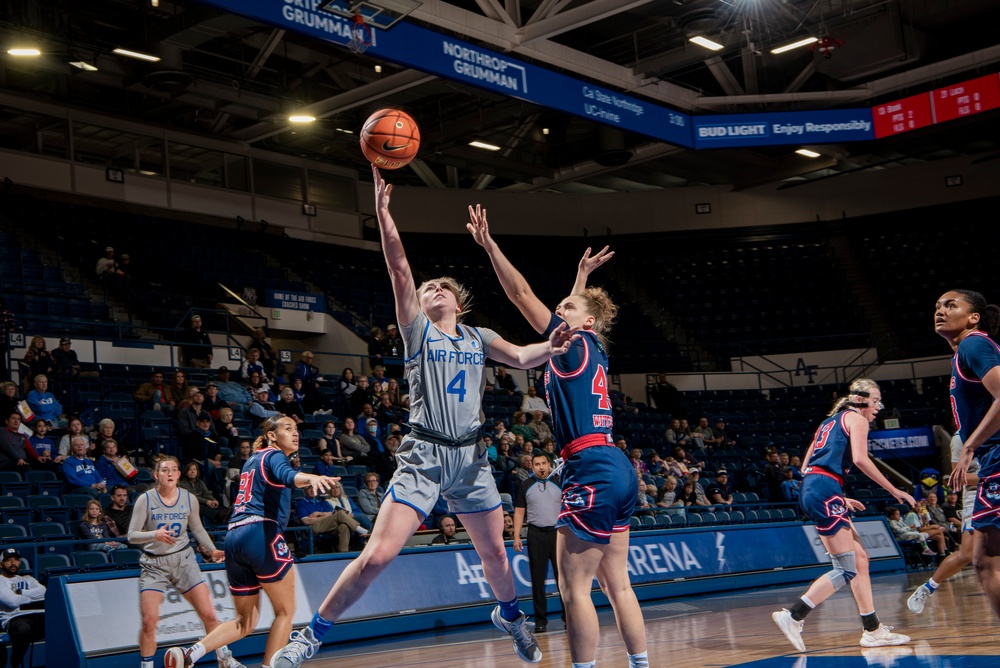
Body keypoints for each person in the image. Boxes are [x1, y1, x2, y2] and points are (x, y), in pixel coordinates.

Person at [268, 168, 580, 668]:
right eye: (429, 285)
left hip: (471, 457)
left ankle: (510, 616)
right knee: (376, 557)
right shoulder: (417, 331)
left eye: (442, 286)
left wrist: (554, 344)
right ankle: (312, 636)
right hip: (424, 454)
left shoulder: (478, 337)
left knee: (496, 556)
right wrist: (384, 214)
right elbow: (398, 269)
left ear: (458, 302)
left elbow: (523, 357)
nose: (433, 288)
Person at [468, 206, 647, 668]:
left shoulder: (569, 342)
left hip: (590, 467)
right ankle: (641, 664)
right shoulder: (592, 347)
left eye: (568, 307)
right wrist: (581, 278)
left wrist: (490, 246)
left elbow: (520, 292)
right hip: (617, 466)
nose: (560, 308)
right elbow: (578, 312)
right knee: (619, 585)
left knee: (574, 591)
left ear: (583, 323)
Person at [163, 417, 336, 668]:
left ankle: (189, 654)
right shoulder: (274, 455)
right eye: (288, 429)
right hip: (261, 532)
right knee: (285, 613)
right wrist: (311, 478)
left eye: (297, 429)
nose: (295, 434)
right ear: (273, 436)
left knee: (245, 622)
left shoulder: (251, 462)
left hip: (235, 536)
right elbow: (288, 476)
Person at [772, 378, 914, 652]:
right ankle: (793, 616)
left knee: (860, 559)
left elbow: (806, 465)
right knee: (846, 568)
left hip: (818, 487)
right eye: (876, 401)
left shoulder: (829, 422)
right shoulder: (857, 419)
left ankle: (872, 629)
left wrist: (836, 493)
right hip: (824, 488)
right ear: (861, 400)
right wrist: (894, 489)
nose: (878, 407)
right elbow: (861, 459)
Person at [127, 456, 238, 668]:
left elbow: (197, 529)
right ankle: (146, 665)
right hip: (154, 564)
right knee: (149, 621)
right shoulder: (146, 500)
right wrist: (154, 534)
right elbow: (131, 535)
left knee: (209, 614)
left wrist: (212, 549)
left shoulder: (189, 498)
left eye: (174, 470)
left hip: (184, 560)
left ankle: (225, 659)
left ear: (179, 475)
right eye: (165, 470)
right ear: (156, 475)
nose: (169, 473)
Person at [936, 290, 1000, 625]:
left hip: (997, 457)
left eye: (950, 305)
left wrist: (970, 447)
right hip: (993, 459)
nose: (941, 311)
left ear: (973, 316)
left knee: (985, 561)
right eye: (937, 306)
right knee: (986, 560)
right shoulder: (966, 351)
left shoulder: (974, 344)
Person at [513, 453, 564, 633]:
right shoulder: (525, 485)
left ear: (549, 465)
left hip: (558, 533)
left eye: (543, 463)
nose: (541, 467)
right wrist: (516, 535)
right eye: (537, 464)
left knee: (563, 578)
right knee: (537, 579)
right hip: (535, 534)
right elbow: (519, 511)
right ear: (531, 467)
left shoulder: (560, 482)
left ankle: (569, 616)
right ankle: (541, 620)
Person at [0, 547, 45, 668]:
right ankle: (14, 663)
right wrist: (34, 598)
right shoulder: (1, 581)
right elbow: (12, 602)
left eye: (16, 560)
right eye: (8, 560)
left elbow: (44, 592)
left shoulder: (28, 579)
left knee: (60, 623)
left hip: (38, 615)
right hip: (14, 618)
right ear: (1, 564)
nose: (13, 563)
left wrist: (22, 593)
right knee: (24, 629)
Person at [295, 486, 369, 553]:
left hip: (326, 526)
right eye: (309, 488)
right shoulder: (302, 503)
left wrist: (317, 514)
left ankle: (343, 554)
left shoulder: (320, 502)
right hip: (313, 528)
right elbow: (306, 520)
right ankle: (361, 531)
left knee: (343, 526)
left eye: (314, 488)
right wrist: (324, 516)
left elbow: (329, 515)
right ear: (305, 491)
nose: (312, 490)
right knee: (339, 514)